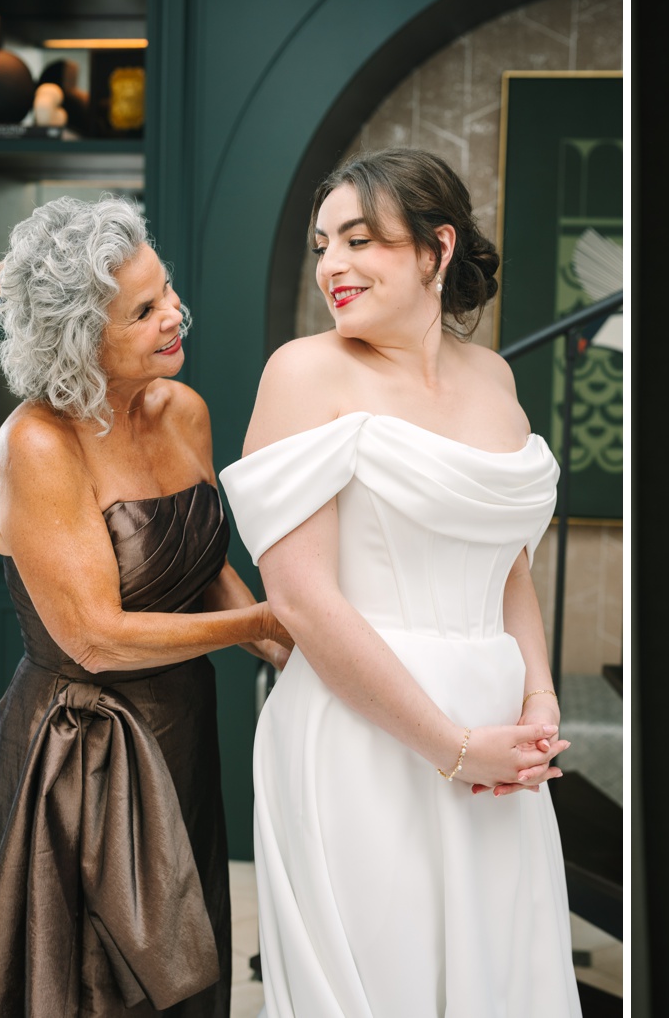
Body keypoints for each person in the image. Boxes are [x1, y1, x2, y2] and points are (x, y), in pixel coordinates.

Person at [218, 147, 582, 1017]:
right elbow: (303, 600)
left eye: (359, 240)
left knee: (502, 975)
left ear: (435, 248)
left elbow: (510, 566)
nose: (332, 266)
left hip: (498, 736)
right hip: (363, 734)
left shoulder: (494, 377)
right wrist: (451, 747)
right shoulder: (305, 372)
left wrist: (537, 696)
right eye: (321, 246)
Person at [0, 196, 292, 1017]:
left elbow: (204, 566)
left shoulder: (184, 411)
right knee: (95, 979)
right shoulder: (38, 443)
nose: (175, 314)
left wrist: (287, 650)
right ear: (79, 338)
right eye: (143, 311)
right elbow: (97, 638)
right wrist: (264, 625)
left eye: (166, 289)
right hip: (82, 749)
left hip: (182, 722)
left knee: (188, 945)